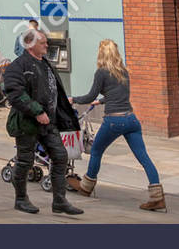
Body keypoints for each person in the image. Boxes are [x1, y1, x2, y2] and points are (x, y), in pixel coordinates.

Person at [66, 39, 164, 210]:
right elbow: (120, 94)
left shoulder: (101, 72)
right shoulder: (123, 72)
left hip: (114, 121)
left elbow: (89, 97)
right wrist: (102, 101)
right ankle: (157, 197)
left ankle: (86, 187)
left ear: (101, 54)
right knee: (144, 158)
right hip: (131, 120)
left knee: (96, 150)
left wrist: (73, 99)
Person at [2, 28, 83, 215]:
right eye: (43, 42)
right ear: (30, 45)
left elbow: (54, 91)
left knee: (61, 156)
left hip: (49, 122)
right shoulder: (18, 66)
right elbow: (15, 93)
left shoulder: (46, 64)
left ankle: (60, 201)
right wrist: (37, 111)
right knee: (25, 161)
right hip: (27, 123)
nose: (47, 45)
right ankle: (21, 199)